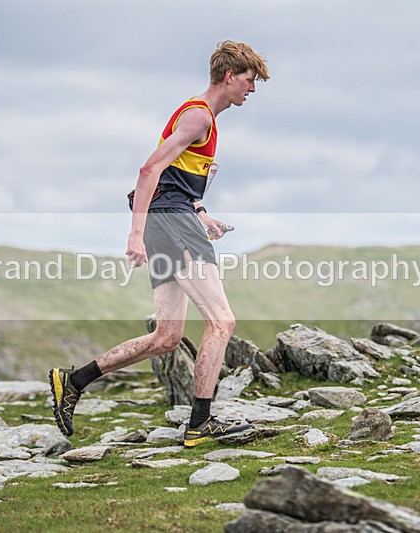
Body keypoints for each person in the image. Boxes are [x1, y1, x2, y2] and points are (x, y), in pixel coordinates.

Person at [50, 40, 269, 447]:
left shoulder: (202, 118)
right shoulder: (199, 117)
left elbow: (173, 180)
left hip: (172, 218)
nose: (252, 89)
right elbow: (149, 168)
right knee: (222, 322)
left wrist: (202, 214)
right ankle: (201, 423)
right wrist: (135, 235)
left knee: (166, 337)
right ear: (228, 76)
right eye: (249, 80)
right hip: (168, 222)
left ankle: (73, 381)